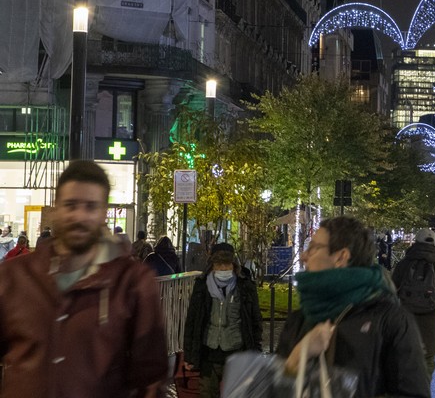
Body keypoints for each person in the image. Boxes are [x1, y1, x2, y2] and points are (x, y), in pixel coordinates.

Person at [0, 160, 167, 396]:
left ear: (103, 212)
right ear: (56, 208)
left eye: (90, 206)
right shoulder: (15, 277)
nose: (79, 216)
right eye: (71, 205)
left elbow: (150, 380)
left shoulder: (131, 283)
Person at [276, 217, 430, 397]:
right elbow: (275, 391)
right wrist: (298, 356)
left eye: (313, 248)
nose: (303, 256)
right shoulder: (301, 318)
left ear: (341, 257)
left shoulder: (390, 320)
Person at [183, 243, 262, 398]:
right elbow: (192, 321)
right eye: (219, 265)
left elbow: (255, 322)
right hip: (208, 355)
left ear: (234, 265)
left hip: (236, 353)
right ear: (212, 266)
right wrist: (189, 355)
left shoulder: (245, 287)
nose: (223, 269)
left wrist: (255, 353)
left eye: (227, 264)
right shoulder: (202, 286)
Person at [391, 228, 435, 378]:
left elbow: (389, 293)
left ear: (415, 242)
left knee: (404, 368)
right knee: (426, 368)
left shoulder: (403, 265)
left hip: (405, 325)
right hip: (432, 327)